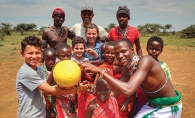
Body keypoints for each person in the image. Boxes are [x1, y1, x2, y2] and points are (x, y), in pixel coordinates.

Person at [80, 38, 182, 118]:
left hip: (168, 106)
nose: (120, 56)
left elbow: (128, 90)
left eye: (124, 51)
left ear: (132, 49)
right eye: (117, 53)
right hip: (152, 104)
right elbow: (116, 91)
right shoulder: (127, 69)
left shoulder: (146, 61)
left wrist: (100, 71)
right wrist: (99, 102)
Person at [16, 35, 87, 117]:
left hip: (41, 113)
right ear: (22, 53)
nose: (34, 56)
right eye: (30, 53)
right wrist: (77, 90)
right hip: (30, 115)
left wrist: (48, 108)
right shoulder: (26, 72)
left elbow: (44, 91)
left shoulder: (39, 69)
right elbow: (50, 90)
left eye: (37, 53)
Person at [49, 43, 77, 118]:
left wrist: (73, 93)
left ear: (71, 55)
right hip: (61, 101)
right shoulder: (57, 67)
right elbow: (48, 84)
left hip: (73, 101)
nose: (66, 58)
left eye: (68, 55)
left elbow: (78, 81)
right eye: (63, 56)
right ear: (58, 56)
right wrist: (54, 70)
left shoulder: (74, 65)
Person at [42, 48, 57, 118]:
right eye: (48, 59)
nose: (51, 62)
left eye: (53, 59)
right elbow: (46, 88)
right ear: (43, 59)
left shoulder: (60, 69)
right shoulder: (41, 71)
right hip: (46, 103)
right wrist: (53, 71)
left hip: (58, 100)